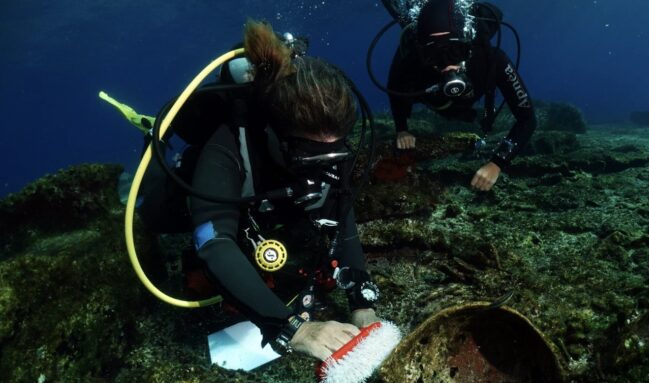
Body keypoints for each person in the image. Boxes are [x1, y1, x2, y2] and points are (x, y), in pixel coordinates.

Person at [139, 20, 380, 361]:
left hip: (267, 200)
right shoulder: (227, 147)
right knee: (153, 215)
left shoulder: (328, 143)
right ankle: (151, 137)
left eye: (333, 154)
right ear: (274, 133)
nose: (322, 169)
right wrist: (294, 328)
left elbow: (343, 212)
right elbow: (214, 244)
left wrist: (360, 302)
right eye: (308, 156)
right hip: (213, 189)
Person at [380, 0, 536, 191]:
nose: (447, 64)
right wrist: (402, 129)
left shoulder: (492, 60)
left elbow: (527, 119)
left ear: (467, 42)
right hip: (436, 103)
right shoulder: (411, 60)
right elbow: (395, 91)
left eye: (455, 50)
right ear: (423, 51)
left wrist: (497, 163)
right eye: (434, 54)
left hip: (464, 106)